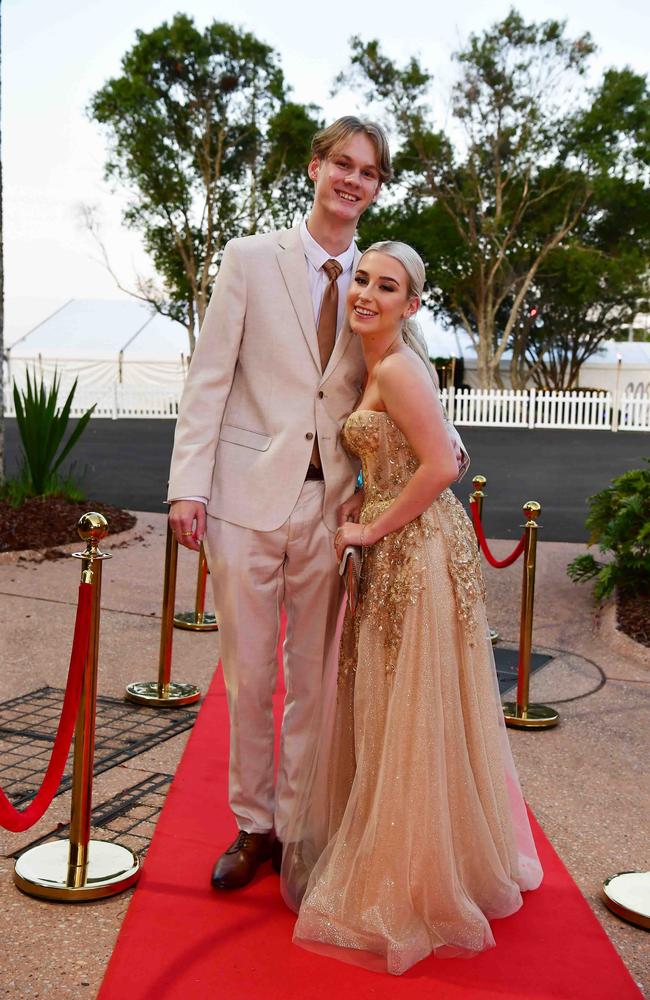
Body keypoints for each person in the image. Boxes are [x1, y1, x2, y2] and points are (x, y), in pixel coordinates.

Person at [167, 118, 468, 891]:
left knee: (313, 680)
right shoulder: (248, 259)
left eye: (369, 171)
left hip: (335, 512)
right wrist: (187, 487)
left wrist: (447, 445)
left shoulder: (377, 277)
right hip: (243, 499)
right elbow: (208, 379)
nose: (353, 179)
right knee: (248, 677)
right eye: (343, 163)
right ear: (315, 168)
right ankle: (252, 826)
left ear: (377, 186)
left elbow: (403, 372)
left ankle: (299, 837)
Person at [281, 242, 543, 975]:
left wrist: (369, 524)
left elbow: (441, 465)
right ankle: (410, 847)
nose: (365, 292)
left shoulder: (395, 368)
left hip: (418, 551)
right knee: (393, 700)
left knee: (409, 702)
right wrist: (367, 494)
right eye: (361, 279)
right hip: (398, 542)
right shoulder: (377, 363)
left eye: (385, 286)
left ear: (411, 303)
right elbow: (399, 457)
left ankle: (413, 874)